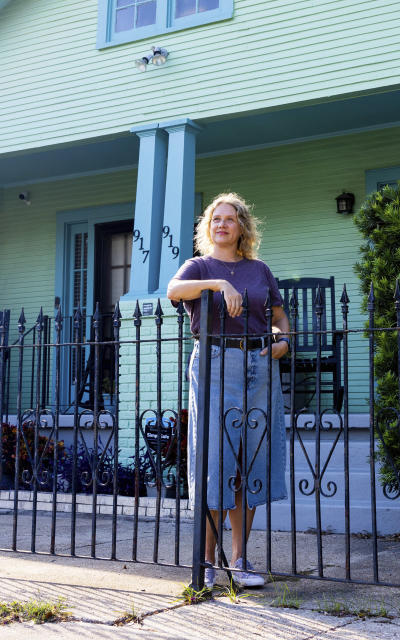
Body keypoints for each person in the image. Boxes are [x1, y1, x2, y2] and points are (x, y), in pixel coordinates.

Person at [167, 192, 290, 589]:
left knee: (250, 459)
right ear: (209, 227)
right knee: (215, 460)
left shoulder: (259, 270)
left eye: (230, 219)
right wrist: (218, 283)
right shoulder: (198, 266)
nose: (222, 225)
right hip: (216, 364)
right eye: (216, 219)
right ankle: (205, 562)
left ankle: (239, 559)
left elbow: (278, 316)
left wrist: (282, 340)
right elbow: (173, 291)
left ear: (242, 228)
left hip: (259, 364)